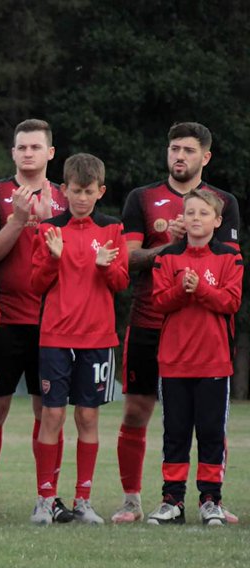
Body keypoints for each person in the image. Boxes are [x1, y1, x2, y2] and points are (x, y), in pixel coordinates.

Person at [114, 122, 241, 524]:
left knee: (209, 420)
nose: (179, 156)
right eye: (173, 149)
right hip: (151, 321)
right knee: (137, 410)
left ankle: (211, 499)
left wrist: (196, 250)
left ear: (205, 156)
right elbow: (128, 258)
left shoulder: (224, 201)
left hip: (206, 334)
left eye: (188, 149)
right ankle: (134, 500)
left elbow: (228, 264)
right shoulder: (143, 197)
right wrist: (173, 247)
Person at [0, 119, 66, 520]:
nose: (28, 153)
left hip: (54, 321)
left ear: (50, 153)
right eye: (21, 147)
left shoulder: (65, 197)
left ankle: (47, 498)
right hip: (5, 320)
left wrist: (42, 222)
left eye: (35, 147)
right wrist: (18, 219)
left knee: (50, 412)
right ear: (12, 153)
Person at [29, 153, 128, 525]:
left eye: (88, 192)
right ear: (64, 190)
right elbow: (36, 284)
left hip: (98, 339)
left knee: (87, 417)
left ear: (100, 191)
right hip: (55, 337)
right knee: (52, 415)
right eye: (75, 191)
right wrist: (53, 259)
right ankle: (45, 500)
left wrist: (105, 267)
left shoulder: (113, 230)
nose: (82, 198)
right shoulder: (48, 230)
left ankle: (83, 499)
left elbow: (120, 283)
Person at [146, 189, 242, 526]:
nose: (196, 219)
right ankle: (172, 500)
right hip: (174, 362)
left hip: (214, 362)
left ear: (217, 221)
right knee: (175, 432)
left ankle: (211, 500)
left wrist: (200, 287)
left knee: (211, 432)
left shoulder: (230, 258)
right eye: (190, 213)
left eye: (204, 213)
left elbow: (230, 302)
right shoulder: (167, 257)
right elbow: (159, 302)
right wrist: (180, 290)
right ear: (182, 219)